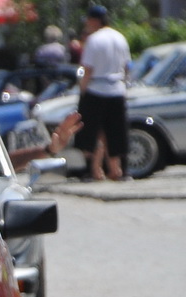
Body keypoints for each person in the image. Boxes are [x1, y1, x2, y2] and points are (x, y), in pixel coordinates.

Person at [77, 4, 130, 182]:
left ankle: (91, 170)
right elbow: (127, 67)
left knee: (90, 131)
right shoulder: (120, 38)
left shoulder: (94, 40)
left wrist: (82, 91)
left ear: (94, 20)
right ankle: (117, 169)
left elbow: (88, 69)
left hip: (96, 88)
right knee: (116, 131)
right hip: (117, 88)